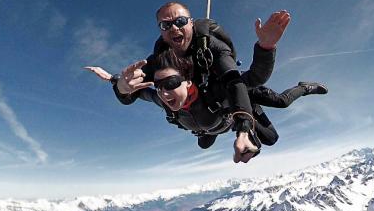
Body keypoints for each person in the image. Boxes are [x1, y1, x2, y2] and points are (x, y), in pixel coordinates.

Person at [86, 48, 326, 163]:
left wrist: (265, 47)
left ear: (188, 81)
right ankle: (212, 129)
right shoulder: (165, 100)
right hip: (214, 123)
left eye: (170, 83)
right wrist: (113, 80)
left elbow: (251, 77)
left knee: (276, 118)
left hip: (243, 100)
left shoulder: (215, 90)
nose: (164, 91)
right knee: (204, 143)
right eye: (159, 86)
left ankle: (304, 87)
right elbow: (138, 93)